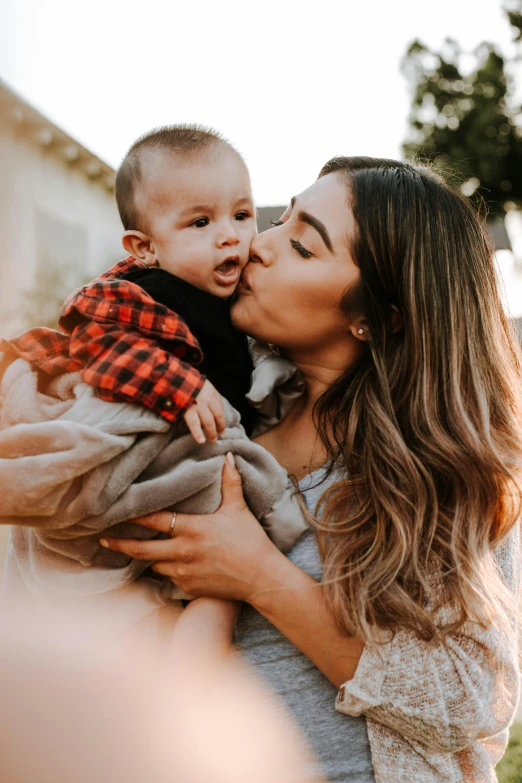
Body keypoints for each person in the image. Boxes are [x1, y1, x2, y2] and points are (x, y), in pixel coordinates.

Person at [101, 157, 522, 782]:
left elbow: (470, 703)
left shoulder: (437, 467)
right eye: (278, 220)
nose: (258, 244)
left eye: (300, 244)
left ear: (378, 318)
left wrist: (259, 575)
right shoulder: (208, 424)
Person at [0, 125, 308, 661]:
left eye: (241, 214)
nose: (230, 235)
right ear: (144, 246)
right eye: (199, 222)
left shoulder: (234, 302)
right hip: (139, 448)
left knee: (207, 595)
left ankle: (182, 676)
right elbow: (101, 342)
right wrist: (179, 387)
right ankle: (184, 681)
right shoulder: (140, 292)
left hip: (194, 467)